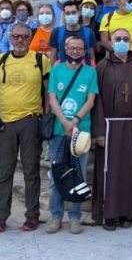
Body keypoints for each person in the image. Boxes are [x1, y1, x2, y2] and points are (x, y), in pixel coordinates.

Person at [0, 23, 51, 233]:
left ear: (30, 38)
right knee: (5, 170)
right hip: (6, 121)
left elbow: (47, 90)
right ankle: (1, 216)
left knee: (31, 169)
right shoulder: (0, 60)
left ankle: (32, 214)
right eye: (16, 37)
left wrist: (46, 117)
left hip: (30, 120)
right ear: (10, 38)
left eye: (24, 37)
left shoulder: (40, 60)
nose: (20, 41)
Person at [92, 28, 132, 230]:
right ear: (111, 42)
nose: (122, 42)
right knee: (110, 171)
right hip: (109, 127)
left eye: (125, 39)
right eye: (118, 39)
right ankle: (109, 214)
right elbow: (95, 101)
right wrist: (98, 131)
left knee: (129, 171)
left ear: (131, 41)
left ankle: (127, 212)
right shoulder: (102, 67)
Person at [45, 36, 98, 235]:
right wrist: (65, 122)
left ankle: (75, 217)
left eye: (79, 48)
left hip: (81, 132)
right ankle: (56, 215)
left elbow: (90, 101)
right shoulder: (57, 70)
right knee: (55, 175)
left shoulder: (90, 72)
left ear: (85, 50)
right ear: (65, 48)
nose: (75, 51)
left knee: (79, 175)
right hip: (59, 131)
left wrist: (74, 121)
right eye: (71, 47)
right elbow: (52, 99)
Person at [49, 1, 97, 66]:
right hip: (63, 73)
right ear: (64, 15)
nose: (71, 15)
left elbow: (92, 57)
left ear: (79, 13)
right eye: (67, 13)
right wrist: (53, 73)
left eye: (73, 12)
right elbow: (53, 56)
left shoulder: (89, 32)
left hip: (84, 72)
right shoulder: (56, 32)